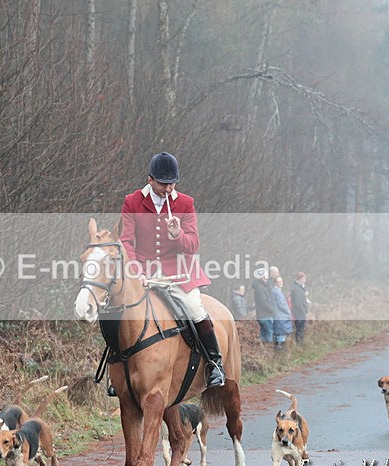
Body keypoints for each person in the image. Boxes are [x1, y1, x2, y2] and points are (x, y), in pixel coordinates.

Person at [118, 152, 225, 392]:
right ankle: (117, 371)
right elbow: (126, 241)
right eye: (163, 183)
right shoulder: (132, 202)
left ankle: (214, 364)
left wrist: (178, 234)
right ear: (150, 179)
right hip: (143, 273)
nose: (168, 189)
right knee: (119, 309)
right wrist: (135, 270)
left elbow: (193, 244)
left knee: (194, 308)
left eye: (172, 183)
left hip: (178, 273)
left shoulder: (185, 203)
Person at [251, 267, 275, 344]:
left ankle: (263, 349)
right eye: (266, 277)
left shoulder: (259, 288)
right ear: (262, 277)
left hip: (261, 315)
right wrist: (272, 310)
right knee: (269, 333)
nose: (267, 279)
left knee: (264, 334)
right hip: (265, 315)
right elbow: (264, 302)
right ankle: (268, 349)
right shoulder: (260, 289)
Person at [271, 276, 293, 349]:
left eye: (281, 281)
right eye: (279, 282)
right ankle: (280, 352)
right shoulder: (277, 292)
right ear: (275, 283)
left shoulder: (275, 291)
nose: (281, 283)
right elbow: (282, 304)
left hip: (277, 315)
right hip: (280, 316)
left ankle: (279, 350)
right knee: (281, 335)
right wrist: (288, 312)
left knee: (279, 334)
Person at [290, 272, 310, 344]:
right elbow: (298, 302)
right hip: (299, 312)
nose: (305, 280)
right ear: (299, 279)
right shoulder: (296, 289)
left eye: (305, 278)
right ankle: (299, 343)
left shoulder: (300, 288)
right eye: (303, 279)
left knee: (301, 328)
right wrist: (303, 310)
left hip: (301, 312)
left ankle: (301, 343)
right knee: (299, 328)